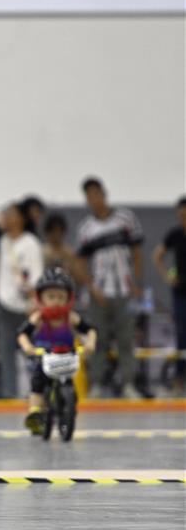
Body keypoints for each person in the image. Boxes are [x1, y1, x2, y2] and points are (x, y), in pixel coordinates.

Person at [75, 177, 144, 399]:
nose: (94, 199)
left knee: (126, 338)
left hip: (124, 290)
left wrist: (136, 282)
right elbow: (81, 262)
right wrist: (91, 287)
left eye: (97, 193)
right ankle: (96, 384)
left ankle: (129, 384)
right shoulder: (86, 228)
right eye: (89, 196)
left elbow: (136, 252)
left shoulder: (125, 219)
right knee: (98, 339)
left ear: (104, 193)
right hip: (99, 293)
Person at [17, 268, 97, 433]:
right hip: (44, 355)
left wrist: (90, 344)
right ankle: (35, 411)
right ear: (41, 298)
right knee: (38, 381)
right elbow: (23, 333)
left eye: (61, 297)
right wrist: (28, 347)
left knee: (69, 383)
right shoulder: (39, 317)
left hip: (66, 356)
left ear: (69, 298)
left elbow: (90, 330)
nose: (56, 301)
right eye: (51, 297)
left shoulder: (70, 317)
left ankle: (68, 406)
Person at [0, 203, 44, 398]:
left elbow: (36, 274)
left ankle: (35, 392)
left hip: (26, 307)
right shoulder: (3, 241)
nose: (7, 218)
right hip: (4, 302)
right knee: (5, 350)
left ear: (22, 218)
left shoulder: (31, 243)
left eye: (12, 215)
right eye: (6, 215)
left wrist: (34, 302)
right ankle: (9, 392)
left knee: (30, 350)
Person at [152, 196, 186, 395]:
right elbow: (157, 255)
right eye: (181, 215)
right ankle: (179, 378)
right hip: (181, 291)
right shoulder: (175, 234)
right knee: (182, 333)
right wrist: (167, 276)